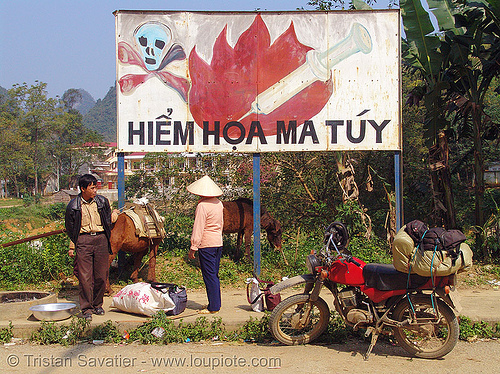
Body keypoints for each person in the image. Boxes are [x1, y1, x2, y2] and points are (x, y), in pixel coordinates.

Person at [65, 174, 118, 320]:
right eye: (92, 187)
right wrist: (74, 244)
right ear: (83, 189)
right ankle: (86, 308)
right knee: (85, 277)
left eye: (96, 187)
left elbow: (108, 220)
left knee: (101, 275)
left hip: (101, 240)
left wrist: (114, 215)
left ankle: (97, 305)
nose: (95, 190)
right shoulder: (73, 206)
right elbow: (70, 228)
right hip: (83, 241)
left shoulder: (102, 202)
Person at [187, 175, 224, 314]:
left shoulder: (202, 206)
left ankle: (213, 307)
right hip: (217, 242)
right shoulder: (219, 203)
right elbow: (221, 224)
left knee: (209, 275)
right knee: (214, 274)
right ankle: (214, 303)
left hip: (206, 244)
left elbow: (198, 227)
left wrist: (193, 247)